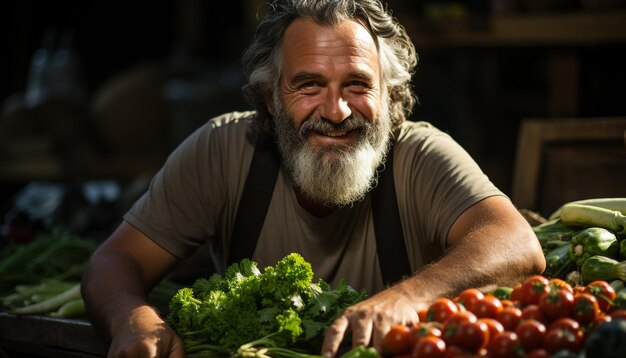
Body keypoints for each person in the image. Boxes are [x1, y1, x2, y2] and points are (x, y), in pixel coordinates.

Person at [81, 0, 546, 357]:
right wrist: (131, 317)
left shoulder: (418, 154)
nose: (336, 111)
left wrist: (408, 297)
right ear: (270, 98)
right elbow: (116, 259)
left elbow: (515, 243)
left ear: (389, 96)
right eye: (309, 86)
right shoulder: (223, 151)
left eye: (357, 85)